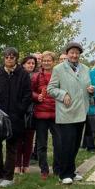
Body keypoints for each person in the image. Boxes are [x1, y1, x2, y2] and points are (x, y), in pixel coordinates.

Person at [47, 41, 93, 185]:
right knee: (66, 144)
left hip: (81, 111)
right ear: (67, 54)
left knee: (75, 145)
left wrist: (90, 90)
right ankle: (63, 174)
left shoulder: (85, 68)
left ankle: (71, 171)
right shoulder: (59, 69)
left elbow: (85, 86)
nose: (74, 55)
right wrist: (63, 94)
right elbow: (51, 89)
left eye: (77, 53)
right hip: (66, 112)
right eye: (72, 52)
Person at [0, 47, 32, 187]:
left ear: (16, 58)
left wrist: (20, 110)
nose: (9, 59)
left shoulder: (23, 74)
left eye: (12, 57)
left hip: (15, 116)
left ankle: (8, 177)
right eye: (7, 57)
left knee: (12, 147)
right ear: (3, 58)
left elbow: (27, 94)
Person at [31, 51, 58, 179]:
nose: (46, 63)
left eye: (49, 61)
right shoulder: (36, 76)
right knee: (41, 144)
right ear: (41, 62)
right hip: (41, 114)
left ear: (53, 62)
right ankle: (44, 169)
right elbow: (30, 91)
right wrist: (37, 96)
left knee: (58, 143)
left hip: (56, 113)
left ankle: (57, 168)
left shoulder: (58, 75)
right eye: (44, 60)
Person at [16, 55, 37, 173]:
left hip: (32, 111)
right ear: (23, 64)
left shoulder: (36, 76)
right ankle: (17, 164)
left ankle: (26, 164)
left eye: (33, 63)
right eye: (28, 63)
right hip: (19, 110)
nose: (31, 65)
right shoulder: (18, 76)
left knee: (29, 139)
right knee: (18, 139)